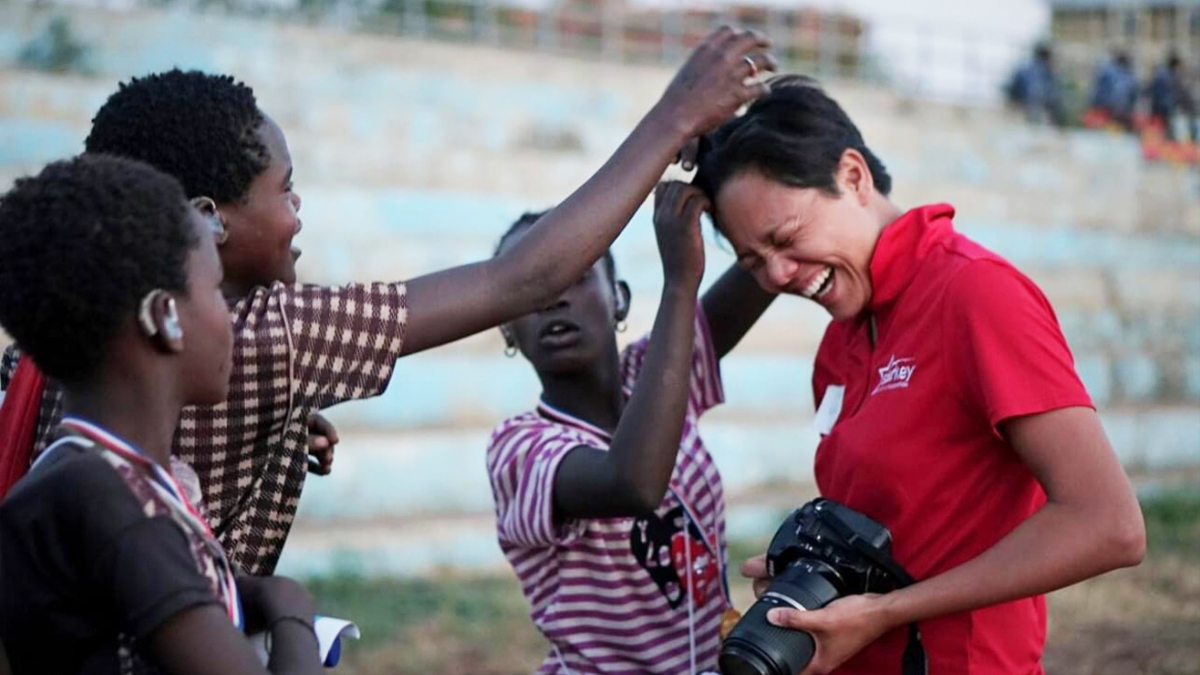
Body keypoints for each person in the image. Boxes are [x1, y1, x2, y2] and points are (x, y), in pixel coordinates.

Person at [0, 27, 776, 575]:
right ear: (211, 218)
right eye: (285, 188)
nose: (299, 211)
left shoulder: (83, 327)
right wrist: (677, 112)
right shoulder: (273, 335)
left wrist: (272, 422)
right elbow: (523, 278)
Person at [693, 75, 1146, 675]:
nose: (778, 274)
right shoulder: (840, 342)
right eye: (754, 261)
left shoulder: (975, 293)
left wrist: (885, 612)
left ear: (852, 177)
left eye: (787, 238)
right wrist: (811, 575)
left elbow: (1108, 525)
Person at [0, 154, 324, 674]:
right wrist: (293, 615)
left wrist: (241, 591)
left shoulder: (86, 480)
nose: (229, 317)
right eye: (216, 291)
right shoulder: (111, 501)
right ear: (164, 317)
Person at [487, 182, 775, 675]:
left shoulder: (654, 375)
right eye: (531, 285)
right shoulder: (518, 450)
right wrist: (679, 283)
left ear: (618, 299)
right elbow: (634, 484)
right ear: (505, 328)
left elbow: (767, 261)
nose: (553, 297)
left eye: (575, 275)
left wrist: (714, 164)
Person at [1005, 44, 1066, 127]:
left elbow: (1012, 90)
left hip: (1022, 110)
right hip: (1038, 111)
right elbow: (1051, 96)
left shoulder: (1023, 68)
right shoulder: (1047, 71)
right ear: (1047, 58)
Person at [1147, 52, 1197, 142]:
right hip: (1167, 108)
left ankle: (1158, 145)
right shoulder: (1172, 76)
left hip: (1158, 107)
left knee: (1158, 130)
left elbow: (1151, 90)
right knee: (1166, 131)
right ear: (1175, 65)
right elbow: (1179, 94)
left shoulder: (1160, 74)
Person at [1087, 49, 1138, 130]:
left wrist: (1093, 105)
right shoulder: (1131, 76)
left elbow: (1097, 89)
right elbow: (1134, 95)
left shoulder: (1107, 71)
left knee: (1101, 133)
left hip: (1104, 110)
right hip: (1122, 113)